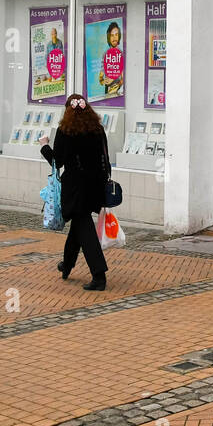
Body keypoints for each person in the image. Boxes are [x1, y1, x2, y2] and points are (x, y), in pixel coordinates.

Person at [38, 94, 111, 290]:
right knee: (79, 227)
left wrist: (44, 145)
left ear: (68, 111)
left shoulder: (66, 131)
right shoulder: (97, 129)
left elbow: (58, 161)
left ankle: (99, 275)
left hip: (76, 187)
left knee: (84, 228)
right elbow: (105, 158)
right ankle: (67, 264)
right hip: (95, 186)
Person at [99, 23, 124, 97]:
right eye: (112, 35)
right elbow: (100, 78)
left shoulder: (121, 54)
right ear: (109, 37)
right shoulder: (105, 54)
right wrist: (102, 81)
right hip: (108, 92)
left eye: (116, 34)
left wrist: (117, 85)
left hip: (119, 92)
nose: (114, 38)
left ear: (119, 36)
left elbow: (124, 78)